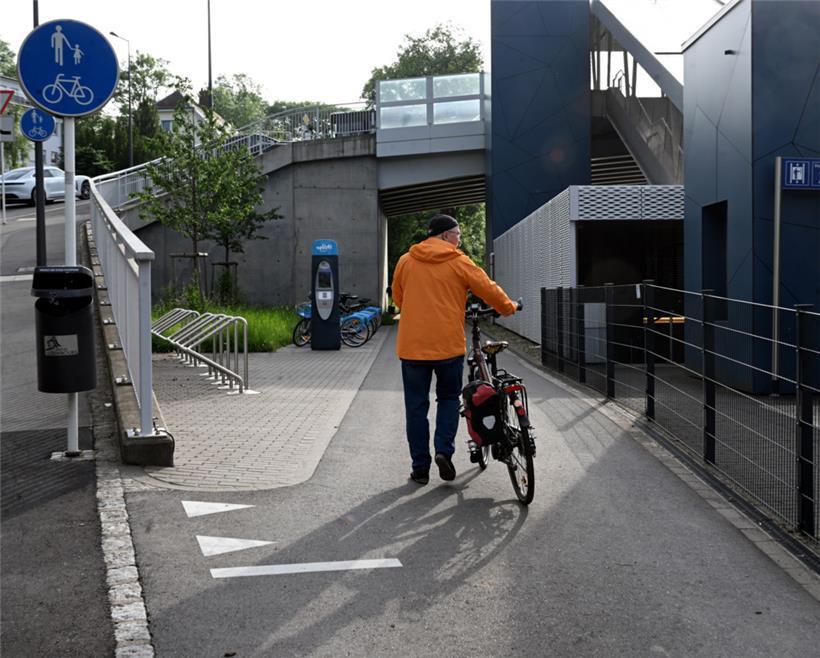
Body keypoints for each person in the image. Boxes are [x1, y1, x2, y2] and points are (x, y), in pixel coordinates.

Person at [391, 213, 517, 485]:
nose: (459, 242)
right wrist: (508, 307)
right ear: (445, 235)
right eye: (457, 236)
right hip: (447, 347)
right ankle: (443, 452)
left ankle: (420, 468)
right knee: (448, 399)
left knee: (416, 407)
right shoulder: (459, 262)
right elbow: (487, 288)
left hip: (412, 348)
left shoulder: (406, 261)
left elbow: (398, 297)